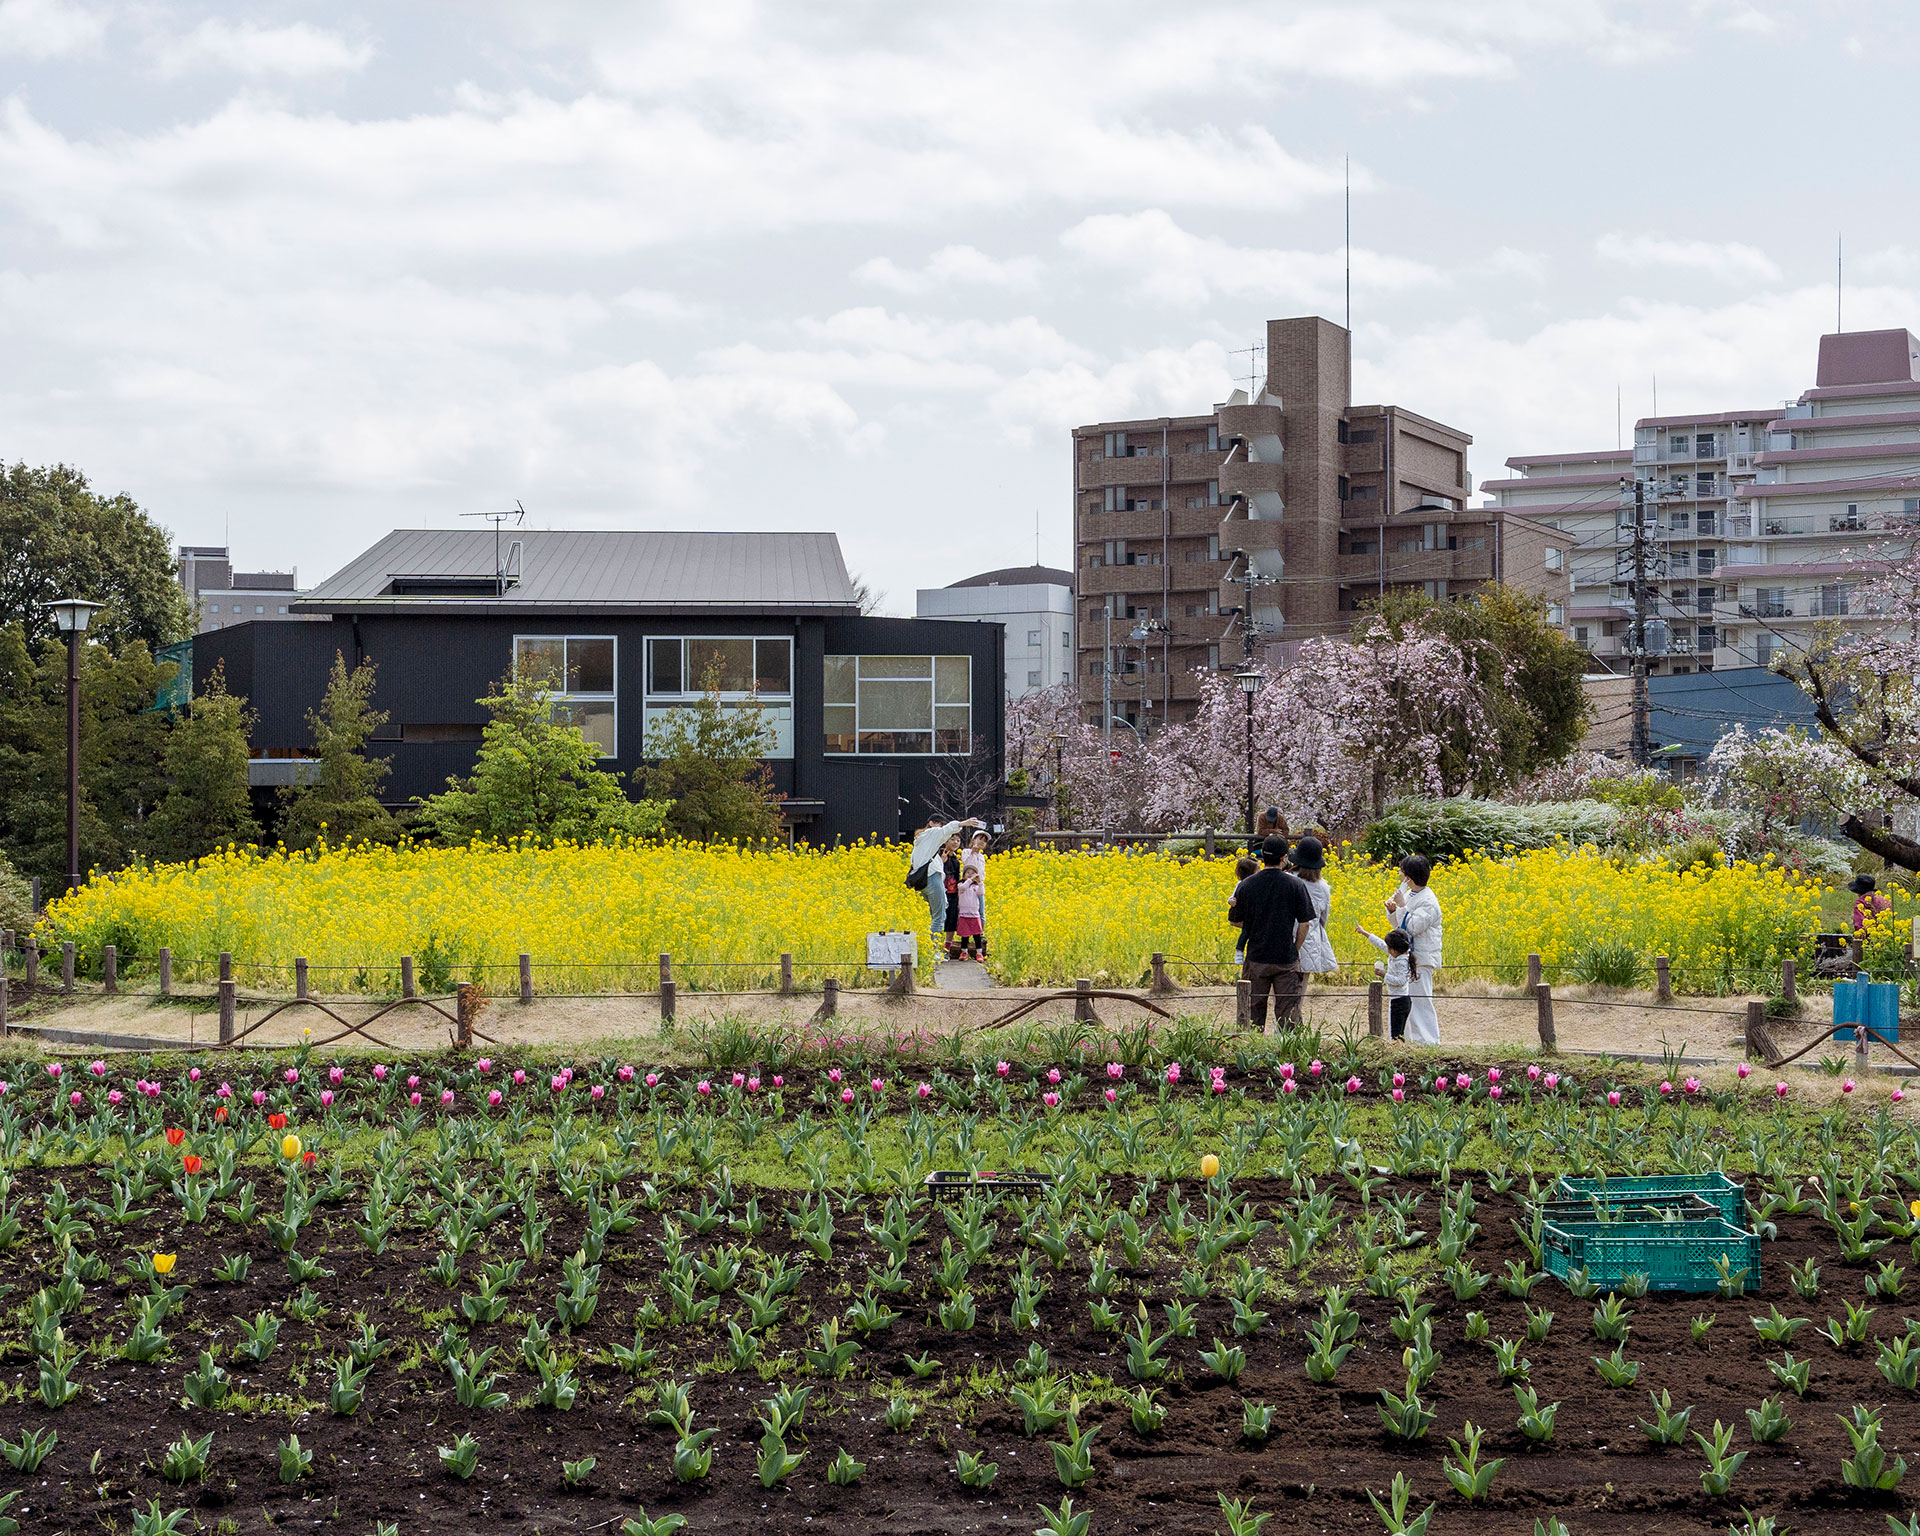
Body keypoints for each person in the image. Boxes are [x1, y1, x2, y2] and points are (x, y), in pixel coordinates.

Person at [1225, 835, 1316, 1033]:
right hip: (1285, 958)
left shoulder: (1247, 885)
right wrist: (1296, 948)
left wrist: (1255, 924)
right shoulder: (1295, 885)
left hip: (1256, 957)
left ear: (1262, 858)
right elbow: (1305, 924)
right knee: (1287, 1015)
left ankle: (1252, 1055)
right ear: (1284, 858)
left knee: (1253, 1012)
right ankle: (1286, 1059)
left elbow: (1234, 920)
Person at [1384, 854, 1442, 1045]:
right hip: (1409, 958)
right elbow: (1400, 926)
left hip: (1422, 959)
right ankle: (1409, 1040)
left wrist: (1401, 906)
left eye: (1402, 871)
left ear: (1409, 877)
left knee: (1421, 1001)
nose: (1400, 874)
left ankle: (1428, 1041)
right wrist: (1393, 910)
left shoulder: (1429, 901)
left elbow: (1414, 927)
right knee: (1408, 1001)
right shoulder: (1410, 895)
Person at [907, 813, 983, 946]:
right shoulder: (932, 832)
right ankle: (933, 948)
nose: (941, 828)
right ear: (931, 823)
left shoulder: (920, 840)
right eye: (940, 824)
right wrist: (964, 823)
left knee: (933, 915)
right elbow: (946, 829)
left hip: (922, 882)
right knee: (939, 916)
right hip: (932, 878)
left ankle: (926, 946)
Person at [1357, 924, 1416, 1040]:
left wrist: (1384, 974)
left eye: (1389, 947)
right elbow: (1380, 944)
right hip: (1400, 1000)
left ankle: (1397, 1052)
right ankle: (1399, 1050)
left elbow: (1401, 981)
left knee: (1396, 1035)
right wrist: (1364, 932)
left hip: (1400, 1002)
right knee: (1397, 1033)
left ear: (1393, 950)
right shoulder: (1397, 954)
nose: (1386, 948)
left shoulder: (1401, 962)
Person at [1290, 835, 1338, 979]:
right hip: (1310, 938)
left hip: (1287, 935)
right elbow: (1324, 918)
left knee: (1281, 990)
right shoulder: (1323, 887)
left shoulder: (1289, 879)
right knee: (1301, 989)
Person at [1229, 854, 1258, 965]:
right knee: (1245, 931)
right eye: (1258, 870)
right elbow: (1232, 897)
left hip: (1249, 913)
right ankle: (1239, 951)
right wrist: (1231, 901)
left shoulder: (1257, 883)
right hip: (1240, 913)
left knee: (1249, 931)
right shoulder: (1241, 884)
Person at [953, 858, 985, 958]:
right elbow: (962, 888)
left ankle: (979, 953)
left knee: (977, 935)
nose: (970, 875)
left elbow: (981, 893)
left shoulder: (975, 886)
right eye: (968, 873)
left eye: (973, 873)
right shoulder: (961, 884)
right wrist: (970, 880)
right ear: (963, 875)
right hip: (963, 914)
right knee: (965, 935)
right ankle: (964, 952)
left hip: (974, 914)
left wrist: (980, 882)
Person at [940, 837, 963, 957]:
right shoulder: (939, 855)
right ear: (945, 841)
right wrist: (941, 863)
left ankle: (946, 949)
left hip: (953, 893)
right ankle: (934, 946)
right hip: (940, 892)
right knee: (939, 919)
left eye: (958, 841)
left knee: (951, 921)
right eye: (952, 839)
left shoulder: (956, 859)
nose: (955, 843)